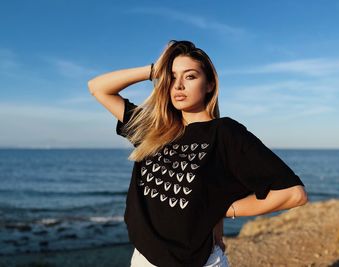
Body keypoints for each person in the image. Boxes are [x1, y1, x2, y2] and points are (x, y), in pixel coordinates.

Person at [87, 40, 308, 267]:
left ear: (210, 84)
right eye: (172, 77)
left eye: (190, 76)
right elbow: (98, 87)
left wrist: (224, 210)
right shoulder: (154, 129)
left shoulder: (224, 133)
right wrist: (155, 70)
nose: (178, 85)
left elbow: (293, 194)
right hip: (144, 260)